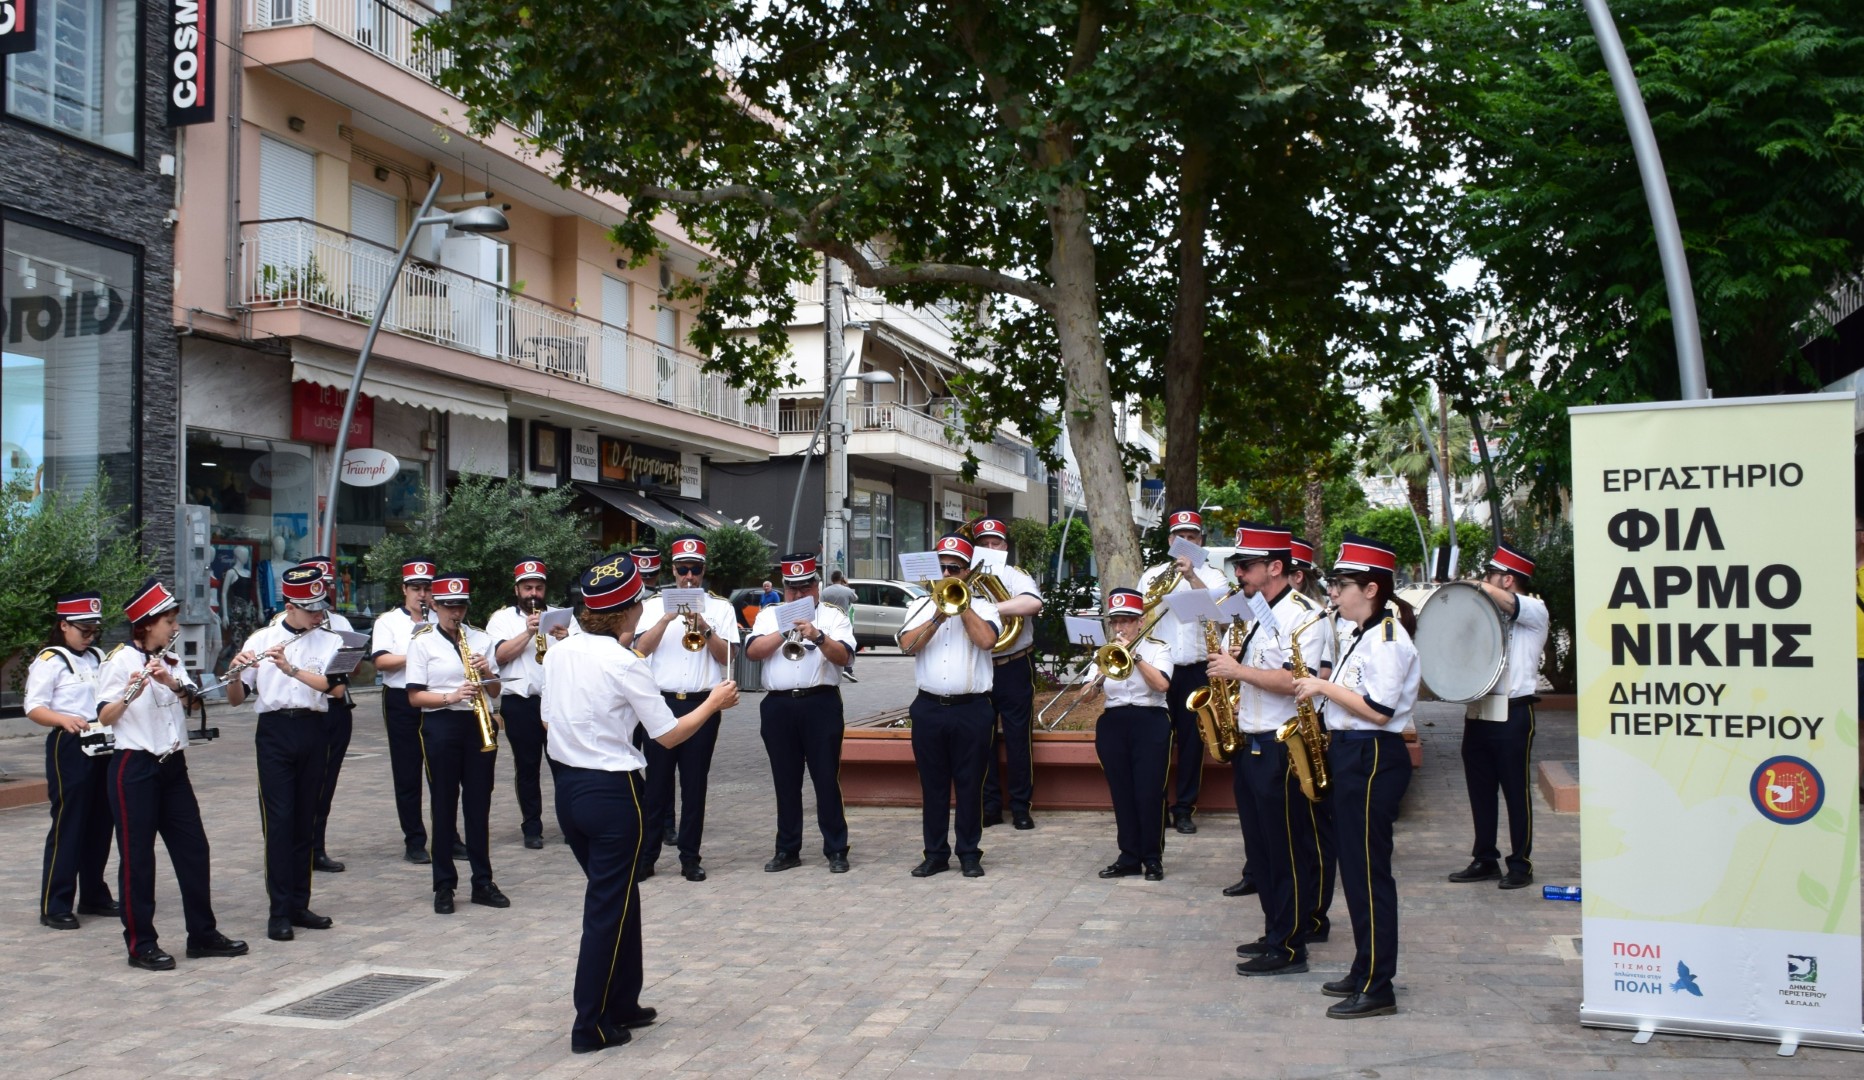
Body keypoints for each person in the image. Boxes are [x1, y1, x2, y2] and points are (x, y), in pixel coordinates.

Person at [543, 553, 739, 1054]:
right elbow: (669, 735)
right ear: (627, 611)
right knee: (607, 908)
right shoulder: (624, 663)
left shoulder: (560, 651)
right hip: (613, 792)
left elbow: (547, 722)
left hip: (569, 789)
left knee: (620, 896)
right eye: (636, 605)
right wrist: (712, 703)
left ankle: (623, 1002)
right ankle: (590, 1024)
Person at [1292, 533, 1419, 1019]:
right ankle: (1364, 965)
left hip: (1372, 758)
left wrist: (1322, 686)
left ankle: (1377, 984)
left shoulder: (1387, 638)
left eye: (1342, 585)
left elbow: (1381, 710)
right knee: (1356, 871)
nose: (1335, 595)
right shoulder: (1363, 634)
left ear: (1370, 589)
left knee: (1369, 875)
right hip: (1351, 755)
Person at [95, 579, 247, 970]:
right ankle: (141, 944)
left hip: (173, 768)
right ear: (146, 624)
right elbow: (105, 717)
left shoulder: (173, 662)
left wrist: (169, 681)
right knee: (138, 859)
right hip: (135, 768)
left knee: (194, 850)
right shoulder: (118, 662)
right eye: (168, 621)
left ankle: (202, 934)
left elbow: (193, 703)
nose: (174, 628)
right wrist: (131, 692)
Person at [1206, 524, 1334, 977]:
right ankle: (1274, 929)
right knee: (1260, 852)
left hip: (1282, 743)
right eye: (1238, 565)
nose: (1238, 573)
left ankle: (1291, 945)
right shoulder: (1254, 612)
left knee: (1286, 851)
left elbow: (1293, 683)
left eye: (1245, 566)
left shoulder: (1306, 615)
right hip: (1251, 741)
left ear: (1275, 567)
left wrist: (1237, 670)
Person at [227, 565, 345, 942]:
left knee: (305, 820)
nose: (317, 614)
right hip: (275, 731)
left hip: (313, 727)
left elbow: (336, 689)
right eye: (310, 608)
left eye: (319, 607)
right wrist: (233, 673)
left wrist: (290, 669)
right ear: (290, 605)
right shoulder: (261, 639)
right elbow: (234, 700)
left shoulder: (329, 640)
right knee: (278, 822)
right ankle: (278, 911)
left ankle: (299, 903)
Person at [633, 535, 740, 881]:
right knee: (657, 786)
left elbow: (729, 657)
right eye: (683, 570)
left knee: (695, 786)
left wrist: (704, 626)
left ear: (704, 571)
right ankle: (647, 857)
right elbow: (639, 651)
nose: (689, 577)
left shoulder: (720, 608)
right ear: (673, 570)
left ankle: (690, 857)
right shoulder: (651, 606)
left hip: (703, 704)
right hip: (660, 703)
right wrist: (665, 619)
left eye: (695, 570)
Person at [898, 533, 1003, 878]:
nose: (947, 574)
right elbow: (907, 645)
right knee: (933, 785)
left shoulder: (985, 607)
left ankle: (969, 852)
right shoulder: (920, 605)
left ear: (967, 572)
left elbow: (988, 640)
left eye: (954, 569)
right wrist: (939, 615)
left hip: (972, 708)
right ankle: (935, 853)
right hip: (928, 707)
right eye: (942, 568)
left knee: (971, 783)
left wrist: (962, 606)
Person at [744, 553, 857, 873]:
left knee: (826, 777)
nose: (798, 595)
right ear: (784, 589)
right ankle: (787, 849)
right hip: (779, 705)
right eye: (792, 590)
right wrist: (784, 631)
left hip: (820, 702)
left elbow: (844, 657)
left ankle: (836, 848)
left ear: (817, 587)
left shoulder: (833, 616)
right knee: (785, 780)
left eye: (805, 589)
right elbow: (752, 652)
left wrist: (817, 635)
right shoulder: (770, 615)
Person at [1450, 541, 1549, 891]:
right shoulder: (1487, 615)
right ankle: (1485, 858)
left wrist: (1476, 586)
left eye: (1489, 576)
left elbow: (1511, 604)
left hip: (1513, 712)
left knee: (1515, 791)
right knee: (1480, 789)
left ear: (1506, 580)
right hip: (1479, 710)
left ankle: (1520, 863)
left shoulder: (1534, 609)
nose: (1484, 580)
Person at [406, 574, 508, 914]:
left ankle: (482, 881)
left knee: (479, 806)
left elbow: (495, 691)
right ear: (435, 605)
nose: (456, 613)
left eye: (461, 606)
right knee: (444, 804)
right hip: (442, 723)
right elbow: (414, 696)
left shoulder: (480, 639)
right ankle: (444, 885)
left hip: (478, 724)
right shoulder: (422, 642)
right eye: (449, 606)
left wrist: (484, 671)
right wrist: (452, 695)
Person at [27, 592, 117, 931]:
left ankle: (94, 894)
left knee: (100, 820)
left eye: (94, 630)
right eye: (83, 630)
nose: (89, 636)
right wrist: (63, 719)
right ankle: (56, 903)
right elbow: (33, 707)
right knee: (69, 822)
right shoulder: (50, 661)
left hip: (102, 743)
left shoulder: (98, 657)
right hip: (69, 744)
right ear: (64, 626)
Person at [485, 557, 572, 850]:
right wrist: (528, 632)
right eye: (527, 588)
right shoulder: (501, 619)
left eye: (537, 588)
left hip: (557, 703)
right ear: (517, 589)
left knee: (564, 765)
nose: (532, 594)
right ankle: (532, 827)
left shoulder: (561, 617)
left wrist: (568, 638)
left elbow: (581, 658)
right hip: (520, 703)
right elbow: (498, 657)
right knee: (527, 768)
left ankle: (571, 823)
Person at [1139, 508, 1215, 834]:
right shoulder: (1152, 575)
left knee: (1192, 742)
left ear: (1201, 540)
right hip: (1161, 667)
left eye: (1192, 537)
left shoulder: (1213, 575)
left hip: (1198, 669)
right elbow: (1138, 614)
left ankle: (1184, 807)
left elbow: (1220, 616)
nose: (1186, 542)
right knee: (1156, 740)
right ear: (1170, 541)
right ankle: (1154, 805)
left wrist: (1192, 577)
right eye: (1180, 537)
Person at [1093, 587, 1173, 881]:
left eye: (1126, 620)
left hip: (1150, 720)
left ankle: (1152, 858)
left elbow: (1162, 686)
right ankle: (1128, 857)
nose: (1120, 627)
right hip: (1114, 722)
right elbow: (1086, 696)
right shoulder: (1104, 652)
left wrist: (1135, 657)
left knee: (1149, 792)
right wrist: (1097, 677)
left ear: (1141, 621)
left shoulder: (1159, 648)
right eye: (1115, 621)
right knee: (1122, 793)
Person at [972, 518, 1046, 830]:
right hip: (979, 665)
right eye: (985, 544)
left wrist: (993, 610)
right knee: (980, 739)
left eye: (996, 543)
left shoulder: (1015, 575)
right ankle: (989, 806)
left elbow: (1033, 604)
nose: (991, 549)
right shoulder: (964, 578)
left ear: (1005, 546)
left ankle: (1020, 807)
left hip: (1014, 664)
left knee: (1018, 739)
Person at [368, 558, 437, 863]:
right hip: (400, 698)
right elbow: (381, 661)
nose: (421, 595)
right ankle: (414, 840)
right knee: (407, 772)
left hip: (436, 697)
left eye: (426, 588)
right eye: (415, 588)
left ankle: (450, 836)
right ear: (404, 589)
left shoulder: (442, 617)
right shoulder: (388, 621)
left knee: (442, 772)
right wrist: (417, 651)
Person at [299, 554, 355, 875]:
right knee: (306, 780)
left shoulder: (341, 624)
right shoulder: (291, 622)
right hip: (306, 707)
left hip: (336, 706)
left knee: (327, 779)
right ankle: (300, 845)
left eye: (328, 585)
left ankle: (317, 845)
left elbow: (350, 668)